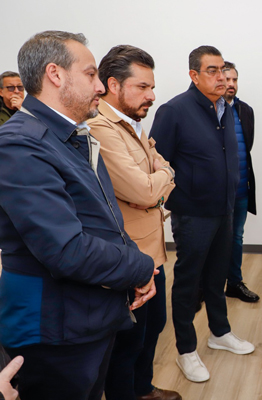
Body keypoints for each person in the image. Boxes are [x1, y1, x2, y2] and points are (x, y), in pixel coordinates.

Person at [0, 31, 156, 400]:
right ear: (55, 74)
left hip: (87, 316)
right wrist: (140, 266)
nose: (100, 86)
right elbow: (67, 250)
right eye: (90, 74)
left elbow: (104, 219)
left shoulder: (69, 137)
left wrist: (135, 261)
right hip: (55, 330)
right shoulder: (21, 144)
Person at [150, 45, 254, 383]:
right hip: (193, 212)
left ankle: (220, 332)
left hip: (225, 208)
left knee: (217, 275)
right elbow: (157, 162)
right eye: (212, 70)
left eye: (223, 69)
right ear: (194, 75)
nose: (221, 76)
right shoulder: (174, 110)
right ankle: (185, 349)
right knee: (188, 281)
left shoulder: (225, 107)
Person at [88, 45, 181, 400]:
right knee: (129, 341)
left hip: (151, 251)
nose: (152, 96)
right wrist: (165, 175)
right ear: (113, 85)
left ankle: (143, 390)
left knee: (153, 327)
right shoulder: (101, 127)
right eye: (142, 87)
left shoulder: (132, 124)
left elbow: (155, 174)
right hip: (128, 255)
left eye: (151, 87)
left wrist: (158, 177)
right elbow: (144, 190)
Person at [222, 61, 259, 303]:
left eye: (234, 80)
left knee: (236, 237)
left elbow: (248, 146)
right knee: (213, 240)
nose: (231, 84)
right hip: (217, 192)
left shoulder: (245, 110)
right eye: (227, 79)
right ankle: (205, 287)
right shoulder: (208, 111)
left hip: (241, 189)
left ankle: (234, 283)